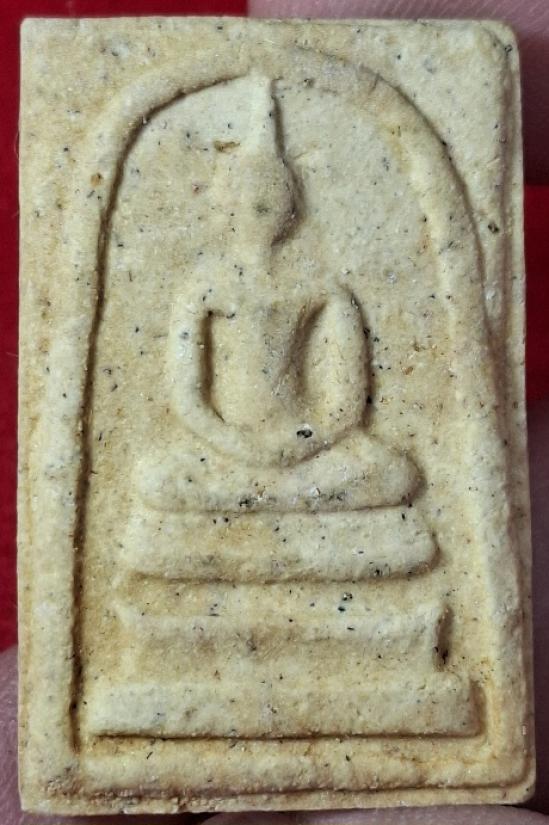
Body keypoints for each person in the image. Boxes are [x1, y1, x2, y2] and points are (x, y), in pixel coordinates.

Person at [2, 0, 548, 822]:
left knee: (390, 475)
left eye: (268, 201)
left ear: (291, 206)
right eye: (241, 202)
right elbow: (186, 396)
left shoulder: (320, 286)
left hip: (312, 452)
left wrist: (303, 442)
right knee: (156, 479)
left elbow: (346, 400)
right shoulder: (203, 285)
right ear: (221, 205)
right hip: (219, 456)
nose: (254, 215)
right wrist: (235, 444)